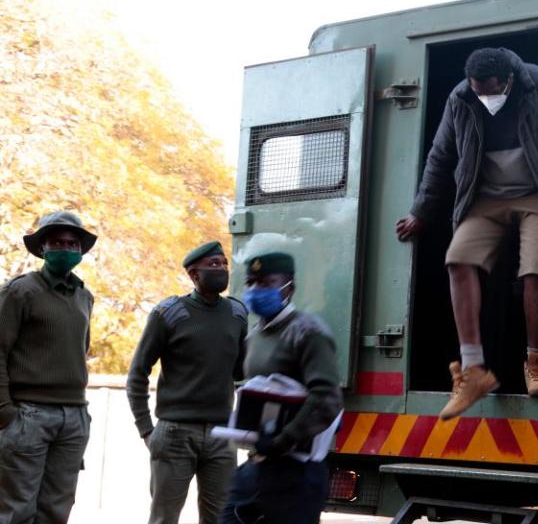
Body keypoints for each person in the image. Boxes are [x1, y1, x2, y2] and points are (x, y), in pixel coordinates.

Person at [395, 47, 538, 419]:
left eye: (490, 90)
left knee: (535, 268)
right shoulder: (461, 98)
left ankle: (537, 362)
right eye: (477, 90)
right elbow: (440, 155)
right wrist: (420, 211)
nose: (484, 98)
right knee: (458, 260)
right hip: (486, 198)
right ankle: (473, 370)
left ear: (508, 79)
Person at [126, 241, 247, 524]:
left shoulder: (237, 314)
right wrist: (146, 430)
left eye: (223, 263)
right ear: (194, 275)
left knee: (221, 517)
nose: (221, 269)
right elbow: (137, 374)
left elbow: (243, 373)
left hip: (222, 436)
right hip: (175, 434)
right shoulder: (168, 313)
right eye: (213, 265)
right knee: (164, 518)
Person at [220, 252, 343, 524]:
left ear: (290, 287)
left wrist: (284, 438)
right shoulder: (254, 335)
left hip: (297, 471)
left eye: (266, 283)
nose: (255, 290)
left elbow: (327, 398)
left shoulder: (308, 331)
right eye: (251, 283)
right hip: (258, 464)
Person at [0, 211, 97, 524]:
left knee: (58, 509)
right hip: (29, 414)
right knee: (17, 511)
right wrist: (5, 411)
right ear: (42, 247)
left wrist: (79, 413)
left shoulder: (85, 296)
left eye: (72, 243)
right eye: (57, 242)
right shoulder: (20, 291)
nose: (66, 248)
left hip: (73, 417)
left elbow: (80, 350)